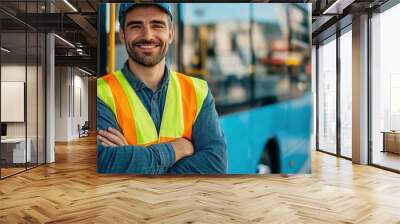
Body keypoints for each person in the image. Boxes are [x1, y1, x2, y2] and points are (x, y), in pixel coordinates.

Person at [97, 3, 227, 174]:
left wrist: (132, 162)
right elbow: (104, 163)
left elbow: (215, 166)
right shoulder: (101, 92)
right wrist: (177, 149)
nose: (148, 35)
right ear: (122, 34)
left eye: (157, 25)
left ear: (171, 33)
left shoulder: (198, 91)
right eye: (136, 26)